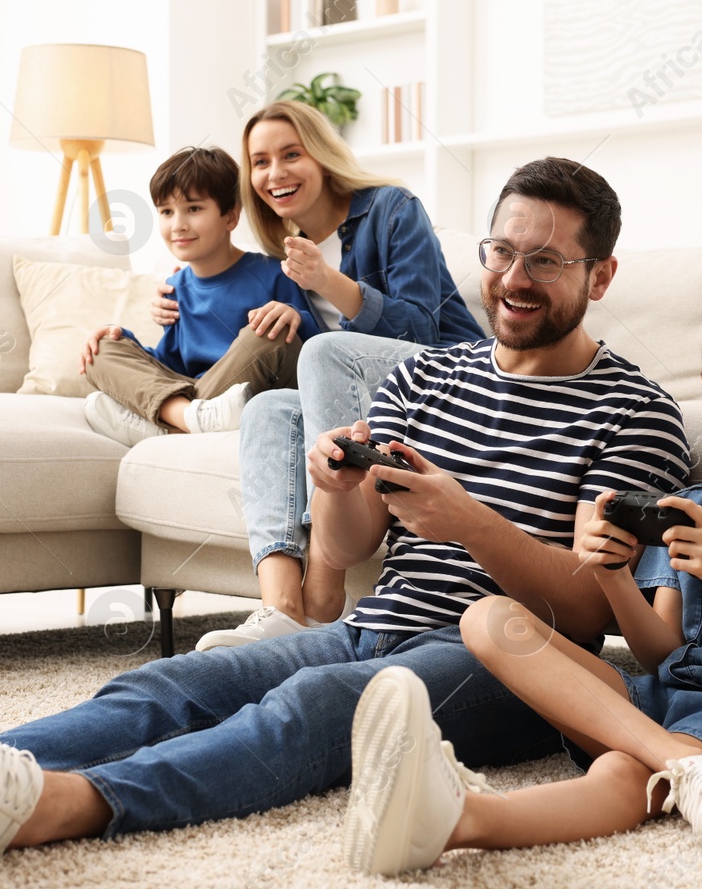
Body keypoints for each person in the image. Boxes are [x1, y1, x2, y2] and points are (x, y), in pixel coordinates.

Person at [0, 157, 689, 866]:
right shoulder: (432, 376)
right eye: (501, 251)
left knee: (302, 710)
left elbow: (594, 619)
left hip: (508, 663)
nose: (512, 279)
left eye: (545, 261)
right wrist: (338, 495)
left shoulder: (635, 412)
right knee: (178, 679)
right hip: (377, 619)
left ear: (599, 275)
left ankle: (61, 804)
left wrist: (467, 518)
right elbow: (352, 549)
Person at [343, 305, 702, 877]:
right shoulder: (692, 507)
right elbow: (659, 653)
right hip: (666, 697)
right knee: (488, 617)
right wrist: (613, 577)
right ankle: (692, 767)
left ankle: (455, 822)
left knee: (625, 774)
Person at [178, 101, 484, 651]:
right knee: (266, 408)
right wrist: (171, 294)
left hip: (449, 379)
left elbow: (419, 329)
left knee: (322, 352)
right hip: (370, 395)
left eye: (291, 154)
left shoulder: (392, 209)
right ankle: (282, 610)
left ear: (320, 155)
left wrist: (331, 281)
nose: (275, 174)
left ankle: (323, 591)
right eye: (261, 162)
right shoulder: (281, 252)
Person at [79, 145, 322, 446]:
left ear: (230, 217)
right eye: (167, 212)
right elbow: (171, 365)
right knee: (102, 347)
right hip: (198, 391)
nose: (178, 224)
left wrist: (296, 316)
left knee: (269, 331)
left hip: (249, 391)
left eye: (193, 209)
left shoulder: (272, 272)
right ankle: (190, 419)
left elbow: (311, 349)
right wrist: (122, 339)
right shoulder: (176, 286)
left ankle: (170, 423)